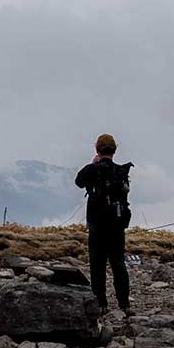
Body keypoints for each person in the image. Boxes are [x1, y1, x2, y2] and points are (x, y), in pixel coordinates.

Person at [74, 133, 133, 316]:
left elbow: (78, 182)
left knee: (97, 265)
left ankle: (101, 303)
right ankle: (124, 304)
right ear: (114, 150)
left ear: (97, 149)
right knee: (118, 264)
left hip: (97, 225)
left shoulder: (92, 170)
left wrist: (93, 164)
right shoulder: (121, 171)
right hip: (117, 225)